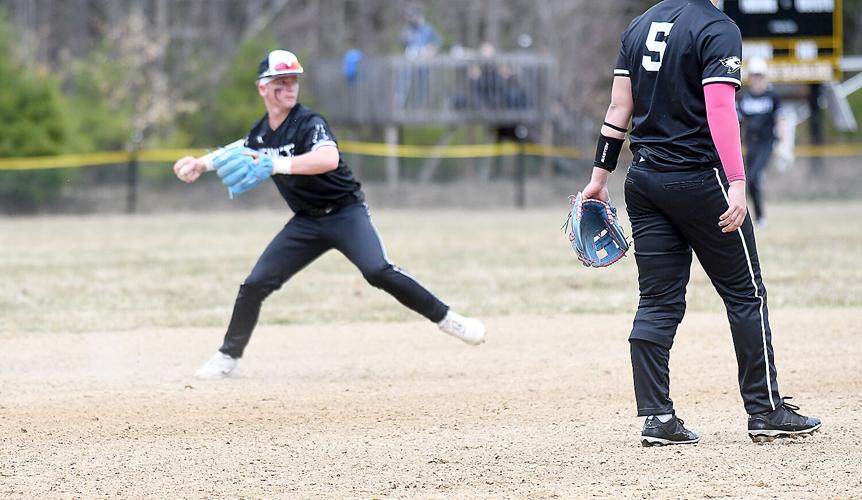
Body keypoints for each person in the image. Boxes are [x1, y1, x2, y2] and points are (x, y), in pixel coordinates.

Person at [579, 0, 820, 446]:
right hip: (699, 180)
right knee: (745, 294)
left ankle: (657, 418)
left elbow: (619, 108)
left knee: (656, 301)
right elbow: (720, 110)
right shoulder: (717, 27)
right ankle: (765, 411)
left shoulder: (639, 25)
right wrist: (736, 181)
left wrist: (598, 177)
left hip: (645, 180)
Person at [173, 50, 485, 379]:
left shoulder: (309, 122)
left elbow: (328, 158)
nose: (290, 86)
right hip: (307, 222)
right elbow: (244, 147)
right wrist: (202, 163)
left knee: (378, 270)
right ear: (262, 87)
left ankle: (449, 319)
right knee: (255, 284)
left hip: (345, 213)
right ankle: (228, 358)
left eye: (293, 79)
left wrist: (275, 164)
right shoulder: (262, 131)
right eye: (280, 81)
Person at [738, 57, 788, 227]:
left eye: (760, 75)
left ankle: (760, 218)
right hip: (751, 144)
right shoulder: (744, 98)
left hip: (766, 143)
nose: (757, 79)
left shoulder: (772, 96)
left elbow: (780, 120)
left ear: (765, 77)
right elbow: (739, 123)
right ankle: (759, 217)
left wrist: (784, 143)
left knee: (753, 177)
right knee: (750, 181)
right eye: (754, 75)